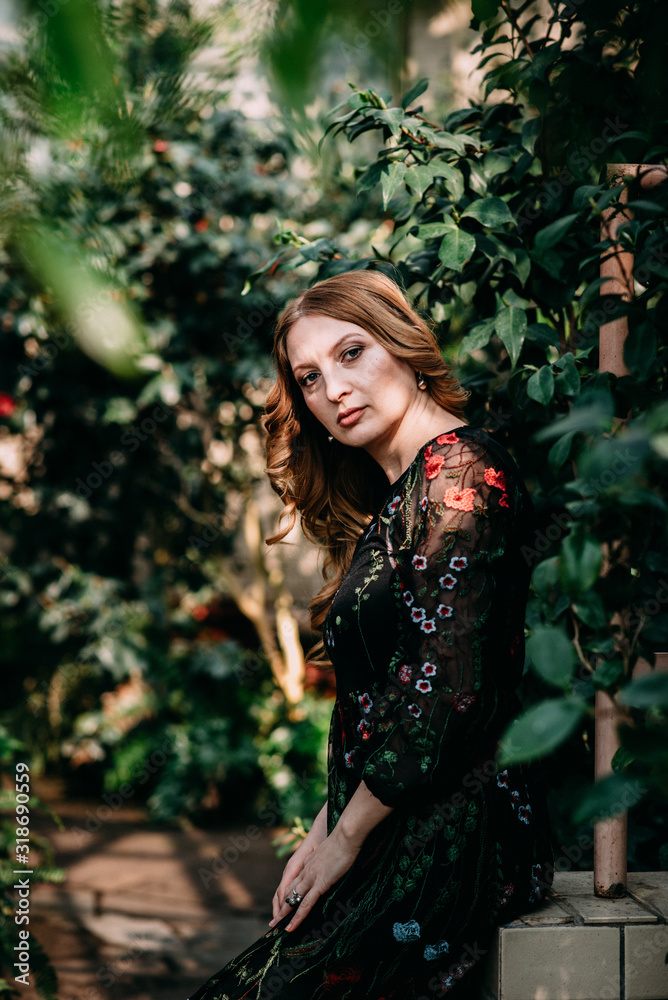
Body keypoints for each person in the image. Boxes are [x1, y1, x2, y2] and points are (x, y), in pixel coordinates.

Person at [187, 268, 554, 1000]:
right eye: (309, 378)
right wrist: (323, 832)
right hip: (393, 823)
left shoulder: (461, 474)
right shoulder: (404, 494)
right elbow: (382, 704)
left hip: (452, 835)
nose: (333, 389)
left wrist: (345, 839)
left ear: (406, 346)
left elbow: (446, 697)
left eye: (351, 353)